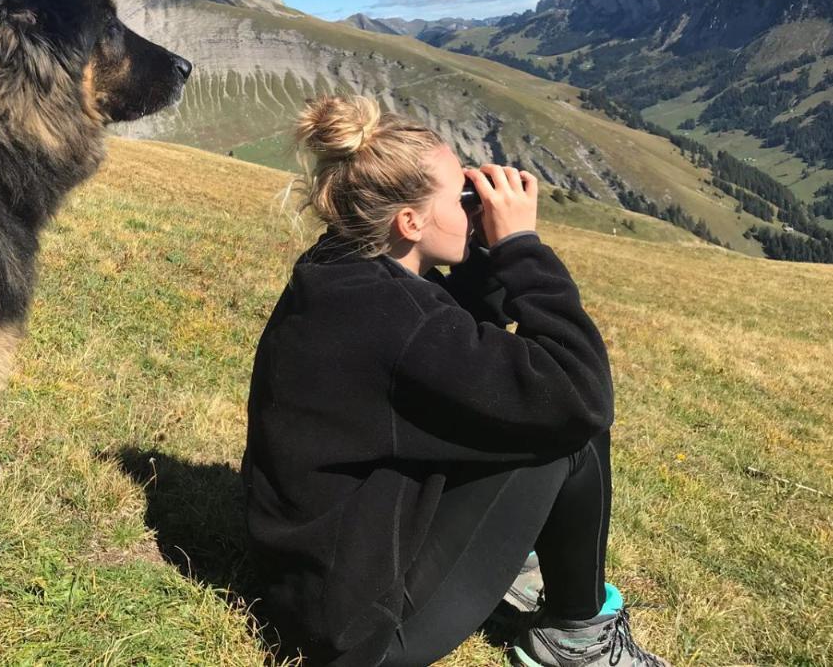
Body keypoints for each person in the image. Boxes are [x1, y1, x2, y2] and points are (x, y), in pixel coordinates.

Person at [241, 96, 669, 667]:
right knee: (568, 434)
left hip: (311, 580)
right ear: (410, 222)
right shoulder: (403, 324)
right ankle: (576, 639)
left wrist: (481, 253)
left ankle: (507, 566)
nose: (477, 206)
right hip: (362, 631)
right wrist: (521, 251)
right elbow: (582, 395)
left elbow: (460, 346)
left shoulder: (342, 268)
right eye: (461, 197)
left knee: (527, 408)